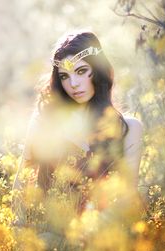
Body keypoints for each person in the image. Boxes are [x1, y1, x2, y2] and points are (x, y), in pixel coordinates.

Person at [13, 30, 143, 222]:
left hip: (104, 241)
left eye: (81, 71)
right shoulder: (44, 122)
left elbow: (126, 199)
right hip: (48, 237)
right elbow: (20, 188)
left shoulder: (130, 129)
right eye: (64, 76)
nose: (73, 83)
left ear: (98, 72)